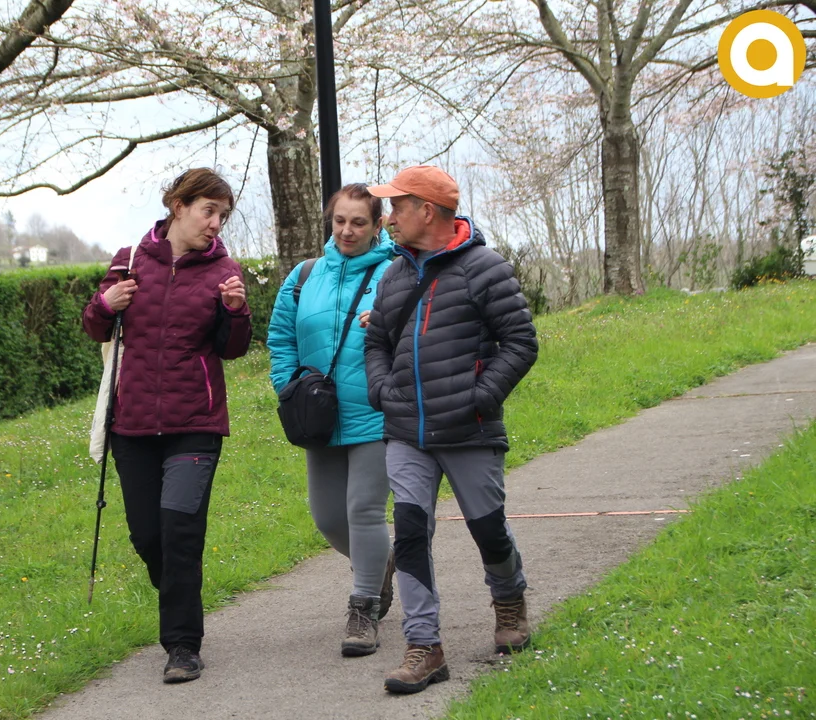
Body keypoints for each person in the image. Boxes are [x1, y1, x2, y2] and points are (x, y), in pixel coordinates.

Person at [363, 166, 538, 694]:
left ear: (427, 211)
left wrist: (478, 398)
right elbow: (377, 343)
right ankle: (424, 646)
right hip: (406, 433)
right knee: (411, 533)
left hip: (469, 430)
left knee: (488, 529)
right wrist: (382, 391)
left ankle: (509, 599)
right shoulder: (393, 276)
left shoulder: (485, 268)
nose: (389, 217)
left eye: (397, 207)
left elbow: (521, 342)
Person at [82, 168, 253, 684]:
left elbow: (232, 348)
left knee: (180, 530)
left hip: (194, 423)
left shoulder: (223, 269)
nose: (216, 223)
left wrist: (236, 311)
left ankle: (182, 646)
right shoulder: (130, 260)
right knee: (147, 536)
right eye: (208, 211)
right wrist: (105, 304)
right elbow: (94, 326)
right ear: (179, 206)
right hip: (132, 425)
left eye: (223, 215)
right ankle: (181, 594)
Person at [267, 183, 397, 657]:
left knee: (363, 510)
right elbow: (281, 337)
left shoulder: (396, 272)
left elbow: (415, 333)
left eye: (359, 222)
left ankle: (363, 610)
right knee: (327, 517)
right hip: (318, 415)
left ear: (378, 225)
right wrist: (289, 386)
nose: (347, 230)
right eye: (340, 220)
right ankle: (382, 563)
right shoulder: (304, 275)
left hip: (376, 412)